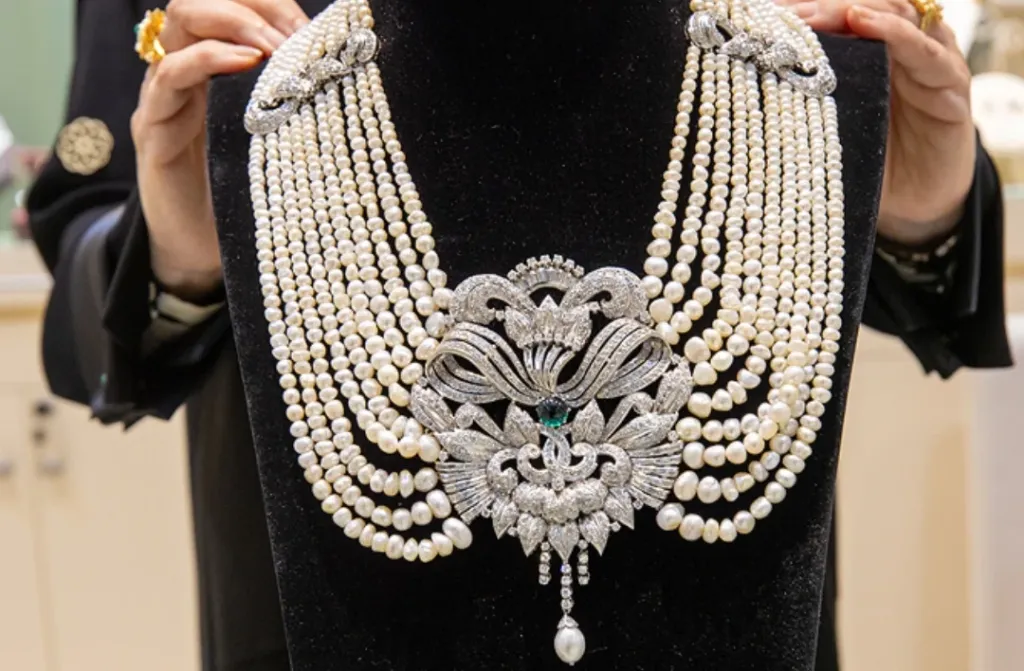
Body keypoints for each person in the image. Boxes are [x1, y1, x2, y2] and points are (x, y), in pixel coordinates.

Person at [26, 1, 1011, 670]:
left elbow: (867, 211)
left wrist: (918, 210)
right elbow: (87, 226)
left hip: (725, 583)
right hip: (324, 579)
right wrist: (177, 253)